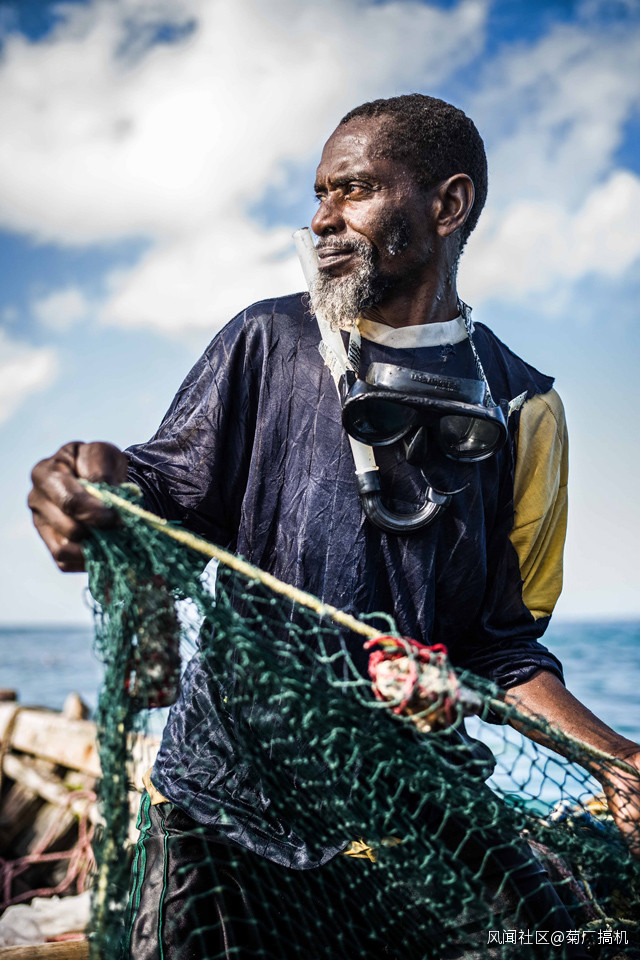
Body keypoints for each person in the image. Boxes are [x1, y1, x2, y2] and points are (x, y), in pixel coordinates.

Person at [28, 95, 639, 958]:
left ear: (448, 205)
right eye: (319, 194)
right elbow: (159, 491)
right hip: (224, 811)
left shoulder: (524, 405)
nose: (322, 219)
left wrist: (614, 759)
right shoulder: (266, 341)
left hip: (414, 811)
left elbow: (502, 645)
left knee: (567, 938)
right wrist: (91, 481)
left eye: (352, 190)